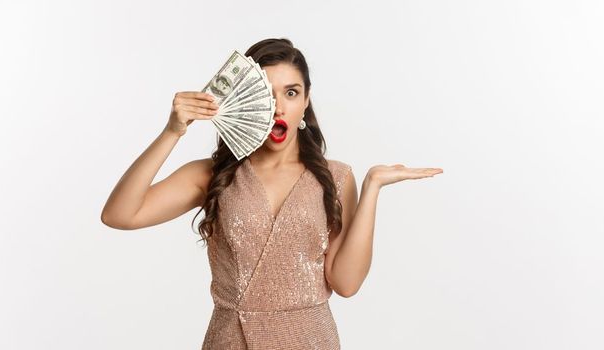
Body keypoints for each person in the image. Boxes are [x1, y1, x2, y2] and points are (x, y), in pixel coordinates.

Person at [101, 38, 443, 349]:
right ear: (243, 100)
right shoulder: (211, 175)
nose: (278, 107)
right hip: (231, 339)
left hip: (311, 340)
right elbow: (119, 214)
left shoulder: (335, 178)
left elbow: (346, 283)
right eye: (266, 93)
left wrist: (372, 188)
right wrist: (172, 132)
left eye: (291, 93)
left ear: (306, 101)